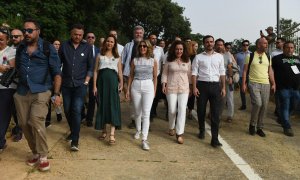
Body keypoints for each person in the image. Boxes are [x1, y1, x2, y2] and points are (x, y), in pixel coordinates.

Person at [13, 19, 62, 171]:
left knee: (35, 120)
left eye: (30, 30)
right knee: (23, 124)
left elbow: (57, 73)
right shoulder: (20, 47)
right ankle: (34, 151)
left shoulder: (48, 48)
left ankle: (43, 155)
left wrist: (57, 93)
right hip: (22, 91)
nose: (26, 33)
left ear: (38, 31)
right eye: (25, 30)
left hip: (41, 90)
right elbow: (17, 66)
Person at [59, 23, 93, 151]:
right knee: (67, 109)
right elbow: (58, 63)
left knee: (77, 109)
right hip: (66, 84)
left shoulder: (88, 48)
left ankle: (75, 140)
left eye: (80, 35)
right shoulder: (64, 46)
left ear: (83, 35)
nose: (77, 37)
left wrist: (86, 80)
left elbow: (90, 66)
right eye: (75, 34)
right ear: (71, 33)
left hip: (80, 84)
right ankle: (73, 131)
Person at [192, 35, 226, 148]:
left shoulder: (220, 57)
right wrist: (194, 87)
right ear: (204, 43)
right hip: (202, 86)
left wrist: (223, 87)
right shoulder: (198, 57)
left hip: (216, 86)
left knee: (215, 113)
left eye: (211, 42)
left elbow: (222, 73)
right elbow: (194, 73)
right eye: (207, 42)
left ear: (214, 43)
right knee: (201, 111)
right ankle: (201, 129)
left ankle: (214, 139)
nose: (209, 44)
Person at [126, 40, 157, 150]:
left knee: (146, 113)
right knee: (137, 112)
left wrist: (154, 90)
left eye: (145, 46)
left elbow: (155, 77)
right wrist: (128, 90)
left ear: (148, 47)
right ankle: (138, 130)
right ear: (138, 48)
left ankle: (144, 139)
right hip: (136, 85)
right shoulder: (134, 60)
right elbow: (130, 75)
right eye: (141, 46)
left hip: (148, 85)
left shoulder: (153, 61)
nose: (142, 48)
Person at [242, 37, 276, 137]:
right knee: (258, 103)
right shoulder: (250, 56)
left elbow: (270, 71)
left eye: (266, 43)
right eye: (264, 43)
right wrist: (243, 84)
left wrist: (273, 83)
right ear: (258, 45)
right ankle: (252, 124)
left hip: (266, 84)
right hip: (253, 83)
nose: (266, 45)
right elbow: (244, 71)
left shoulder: (268, 56)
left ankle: (260, 127)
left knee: (264, 106)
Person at [93, 35, 123, 144]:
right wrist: (94, 86)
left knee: (113, 106)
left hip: (113, 83)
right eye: (108, 41)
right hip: (101, 83)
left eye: (112, 42)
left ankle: (112, 134)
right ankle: (104, 130)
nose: (110, 43)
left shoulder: (118, 57)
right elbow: (95, 71)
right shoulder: (99, 55)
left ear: (114, 44)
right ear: (105, 42)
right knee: (102, 105)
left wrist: (121, 84)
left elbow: (119, 72)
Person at [162, 40, 191, 144]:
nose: (179, 51)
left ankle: (179, 133)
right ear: (174, 50)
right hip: (171, 87)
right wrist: (163, 84)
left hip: (184, 88)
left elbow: (189, 74)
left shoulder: (187, 60)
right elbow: (165, 73)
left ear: (184, 50)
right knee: (172, 110)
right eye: (177, 49)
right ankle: (171, 126)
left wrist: (191, 86)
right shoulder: (168, 60)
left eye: (181, 49)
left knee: (182, 109)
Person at [272, 41, 300, 136]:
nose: (290, 49)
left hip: (295, 88)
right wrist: (273, 83)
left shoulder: (297, 59)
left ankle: (282, 118)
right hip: (283, 87)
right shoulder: (276, 59)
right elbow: (271, 71)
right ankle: (287, 127)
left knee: (294, 105)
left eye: (292, 48)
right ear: (283, 49)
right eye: (287, 47)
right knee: (285, 106)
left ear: (294, 49)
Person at [122, 25, 144, 129]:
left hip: (143, 75)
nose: (138, 34)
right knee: (132, 99)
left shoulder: (146, 45)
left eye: (140, 33)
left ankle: (143, 121)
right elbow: (122, 60)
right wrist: (122, 75)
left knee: (144, 100)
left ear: (143, 34)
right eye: (136, 33)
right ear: (134, 34)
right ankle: (133, 120)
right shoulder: (128, 45)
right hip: (130, 74)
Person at [0, 26, 16, 153]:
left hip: (6, 88)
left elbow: (11, 69)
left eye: (1, 39)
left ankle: (0, 141)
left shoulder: (11, 51)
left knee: (3, 115)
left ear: (7, 40)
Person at [81, 32, 100, 127]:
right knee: (81, 97)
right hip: (82, 76)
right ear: (86, 38)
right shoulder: (81, 49)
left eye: (92, 37)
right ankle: (82, 116)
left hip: (95, 77)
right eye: (88, 37)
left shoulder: (99, 50)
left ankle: (89, 120)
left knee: (93, 98)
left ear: (95, 39)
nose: (90, 39)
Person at [215, 39, 234, 123]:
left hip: (226, 80)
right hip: (214, 80)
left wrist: (230, 77)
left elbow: (230, 67)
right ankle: (213, 113)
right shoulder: (212, 55)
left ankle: (230, 115)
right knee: (215, 99)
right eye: (218, 45)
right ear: (215, 45)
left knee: (228, 98)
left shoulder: (227, 55)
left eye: (221, 45)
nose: (219, 46)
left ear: (223, 46)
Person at [10, 28, 24, 142]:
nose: (14, 38)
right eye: (12, 36)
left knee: (19, 109)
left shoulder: (25, 49)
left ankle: (20, 130)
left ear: (22, 37)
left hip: (22, 84)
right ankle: (18, 128)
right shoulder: (9, 49)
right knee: (13, 108)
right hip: (11, 84)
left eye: (16, 36)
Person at [45, 41, 63, 128]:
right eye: (55, 44)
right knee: (48, 100)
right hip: (49, 80)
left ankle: (58, 113)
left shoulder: (61, 55)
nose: (57, 45)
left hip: (58, 80)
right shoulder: (48, 54)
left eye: (58, 44)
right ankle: (47, 120)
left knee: (55, 98)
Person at [149, 33, 164, 122]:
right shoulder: (145, 47)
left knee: (155, 95)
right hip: (147, 75)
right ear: (149, 39)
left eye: (155, 38)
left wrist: (161, 75)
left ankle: (153, 111)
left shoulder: (160, 49)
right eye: (152, 38)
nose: (154, 40)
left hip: (157, 75)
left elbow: (162, 62)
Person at [235, 40, 251, 110]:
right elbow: (235, 66)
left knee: (252, 91)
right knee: (242, 91)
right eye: (244, 45)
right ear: (242, 46)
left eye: (247, 45)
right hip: (241, 75)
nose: (245, 46)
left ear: (248, 46)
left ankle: (254, 105)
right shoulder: (237, 55)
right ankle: (244, 105)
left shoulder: (252, 54)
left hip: (251, 75)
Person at [187, 41, 198, 119]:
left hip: (193, 78)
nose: (196, 48)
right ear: (191, 46)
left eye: (197, 46)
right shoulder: (186, 56)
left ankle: (190, 111)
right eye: (195, 46)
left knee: (192, 96)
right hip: (186, 77)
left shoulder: (196, 56)